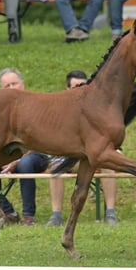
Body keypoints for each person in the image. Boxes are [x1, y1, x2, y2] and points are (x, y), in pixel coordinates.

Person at [45, 70, 120, 227]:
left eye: (83, 86)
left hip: (95, 156)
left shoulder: (99, 109)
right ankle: (56, 215)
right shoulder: (59, 110)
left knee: (109, 166)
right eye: (76, 86)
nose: (80, 90)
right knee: (55, 166)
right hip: (70, 157)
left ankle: (111, 213)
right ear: (67, 89)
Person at [0, 68, 50, 225]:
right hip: (10, 154)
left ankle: (28, 216)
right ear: (1, 90)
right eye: (7, 86)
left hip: (37, 153)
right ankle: (6, 211)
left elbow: (39, 140)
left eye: (14, 84)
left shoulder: (37, 105)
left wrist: (16, 161)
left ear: (22, 84)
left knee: (25, 164)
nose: (11, 88)